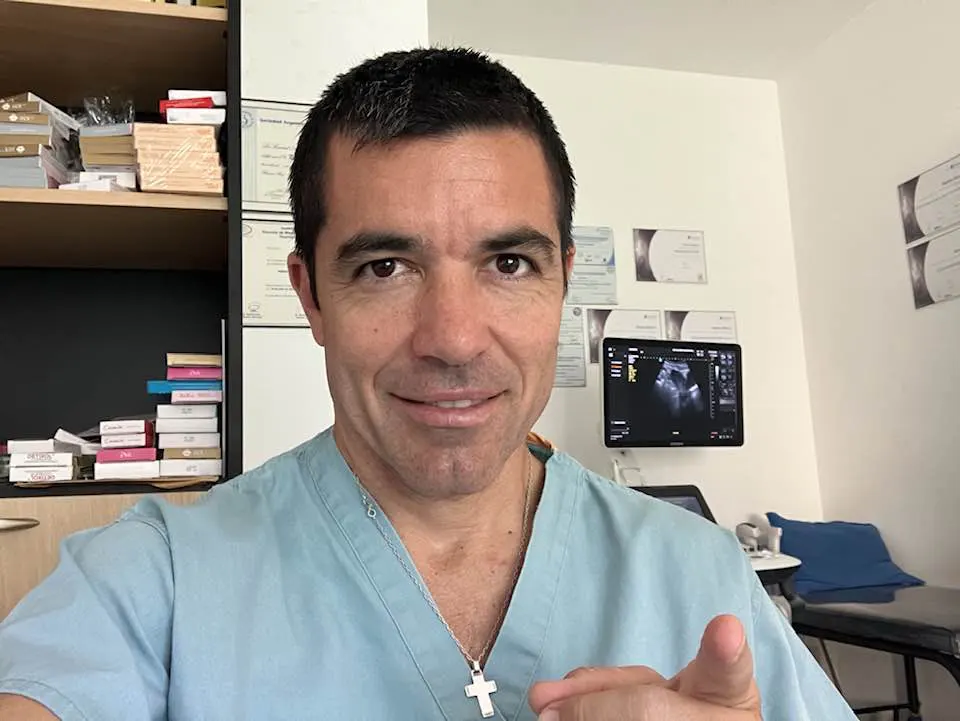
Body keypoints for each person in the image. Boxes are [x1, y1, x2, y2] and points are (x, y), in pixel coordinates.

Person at [0, 48, 855, 721]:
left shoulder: (700, 576)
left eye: (509, 262)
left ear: (562, 283)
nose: (453, 338)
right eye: (384, 266)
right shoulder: (156, 580)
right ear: (311, 297)